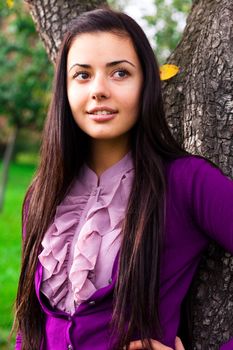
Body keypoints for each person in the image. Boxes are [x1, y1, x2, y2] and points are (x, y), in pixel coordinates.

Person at [14, 7, 233, 350]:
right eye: (82, 75)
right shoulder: (42, 195)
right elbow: (29, 329)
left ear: (146, 83)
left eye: (119, 73)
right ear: (65, 90)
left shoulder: (186, 182)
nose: (98, 90)